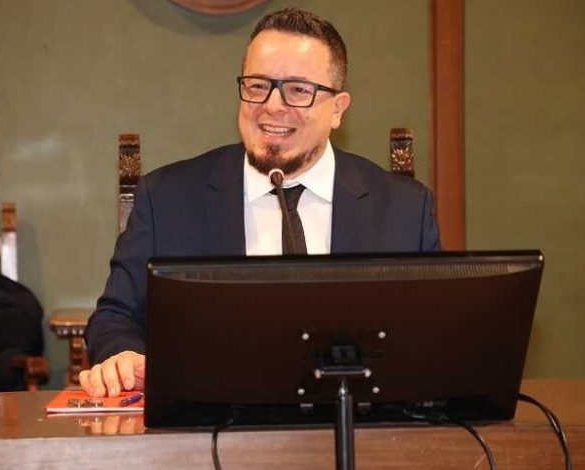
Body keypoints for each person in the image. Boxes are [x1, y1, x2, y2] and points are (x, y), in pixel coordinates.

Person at [79, 8, 440, 398]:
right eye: (257, 86)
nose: (272, 105)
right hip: (211, 423)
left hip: (362, 424)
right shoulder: (166, 198)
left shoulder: (405, 209)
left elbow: (434, 332)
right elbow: (115, 318)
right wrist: (122, 355)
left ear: (337, 109)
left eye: (298, 90)